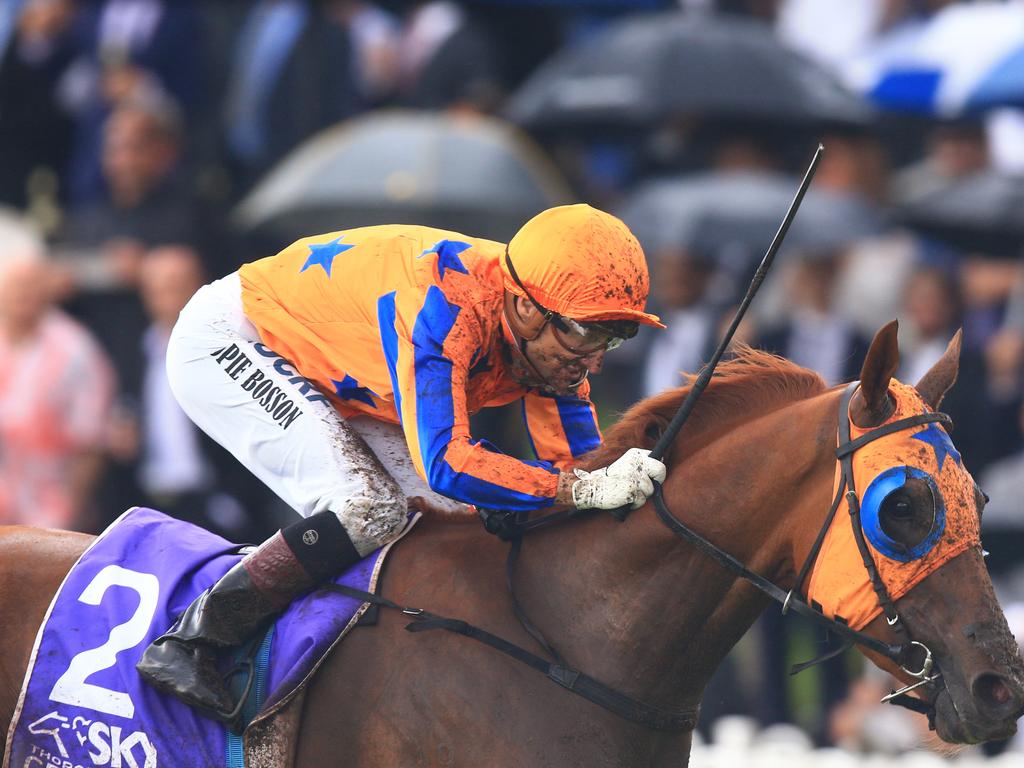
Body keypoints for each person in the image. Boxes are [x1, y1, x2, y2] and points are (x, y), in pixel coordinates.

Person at [136, 204, 669, 720]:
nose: (595, 358)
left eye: (615, 336)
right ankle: (194, 640)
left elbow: (582, 465)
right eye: (586, 332)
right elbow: (451, 465)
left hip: (337, 368)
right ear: (527, 308)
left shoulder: (551, 335)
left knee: (453, 526)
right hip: (231, 337)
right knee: (370, 507)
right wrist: (577, 490)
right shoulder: (445, 310)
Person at [0, 237, 115, 531]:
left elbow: (90, 442)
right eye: (15, 285)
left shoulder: (75, 348)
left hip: (49, 511)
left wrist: (68, 513)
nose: (22, 294)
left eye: (31, 285)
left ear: (47, 290)